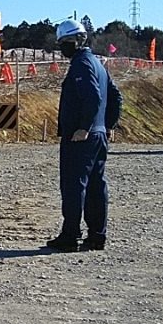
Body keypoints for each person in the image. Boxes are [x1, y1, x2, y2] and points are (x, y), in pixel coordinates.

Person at [46, 19, 123, 252]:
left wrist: (84, 127)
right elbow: (115, 96)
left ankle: (70, 235)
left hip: (81, 136)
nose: (63, 46)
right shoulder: (97, 63)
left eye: (66, 41)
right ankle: (97, 235)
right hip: (98, 135)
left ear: (79, 40)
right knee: (96, 185)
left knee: (73, 185)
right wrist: (106, 125)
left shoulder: (81, 64)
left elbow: (93, 96)